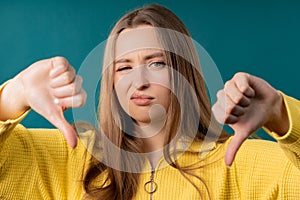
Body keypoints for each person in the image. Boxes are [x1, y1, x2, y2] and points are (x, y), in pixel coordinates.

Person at [0, 4, 299, 200]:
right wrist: (12, 96)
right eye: (124, 67)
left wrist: (282, 116)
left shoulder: (243, 163)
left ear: (185, 73)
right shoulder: (69, 158)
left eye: (156, 63)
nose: (138, 81)